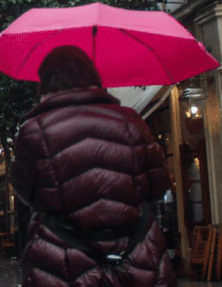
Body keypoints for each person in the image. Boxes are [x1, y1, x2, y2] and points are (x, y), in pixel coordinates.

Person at [10, 45, 175, 287]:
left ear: (44, 85)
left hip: (61, 262)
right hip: (136, 259)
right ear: (92, 78)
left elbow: (27, 194)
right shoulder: (131, 121)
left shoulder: (33, 131)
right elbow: (158, 188)